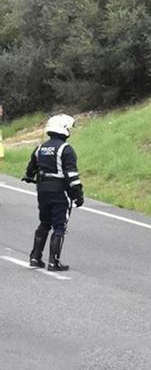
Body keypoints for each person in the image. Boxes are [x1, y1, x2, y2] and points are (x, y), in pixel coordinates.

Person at [22, 115, 84, 271]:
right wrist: (78, 195)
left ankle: (35, 258)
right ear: (64, 129)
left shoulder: (40, 148)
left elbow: (30, 169)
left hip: (42, 190)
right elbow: (72, 176)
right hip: (59, 190)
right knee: (59, 226)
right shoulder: (66, 149)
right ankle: (53, 262)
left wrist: (30, 177)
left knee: (44, 223)